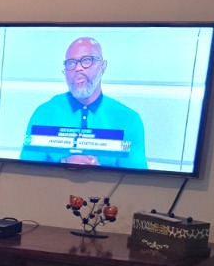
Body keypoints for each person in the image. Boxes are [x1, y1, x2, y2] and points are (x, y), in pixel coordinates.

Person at [19, 36, 147, 168]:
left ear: (103, 66)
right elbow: (26, 172)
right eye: (71, 63)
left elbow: (135, 179)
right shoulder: (44, 113)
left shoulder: (129, 119)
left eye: (87, 60)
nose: (78, 68)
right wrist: (63, 163)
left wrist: (100, 173)